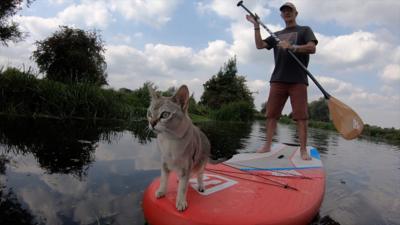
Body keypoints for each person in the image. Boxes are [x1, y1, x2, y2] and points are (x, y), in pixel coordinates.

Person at [246, 2, 318, 160]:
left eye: (289, 10)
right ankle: (267, 145)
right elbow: (259, 45)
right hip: (278, 79)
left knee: (301, 116)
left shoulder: (305, 30)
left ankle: (303, 150)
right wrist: (256, 26)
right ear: (281, 15)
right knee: (271, 114)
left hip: (298, 80)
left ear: (296, 13)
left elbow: (312, 48)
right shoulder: (276, 34)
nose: (287, 13)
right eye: (284, 11)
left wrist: (292, 47)